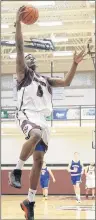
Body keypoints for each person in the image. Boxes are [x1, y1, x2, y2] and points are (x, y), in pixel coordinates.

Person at [8, 6, 87, 220]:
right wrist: (18, 21)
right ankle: (15, 170)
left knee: (40, 160)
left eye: (33, 58)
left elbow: (68, 82)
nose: (30, 59)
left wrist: (74, 63)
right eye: (27, 57)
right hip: (26, 114)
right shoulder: (23, 74)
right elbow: (20, 46)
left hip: (44, 120)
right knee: (33, 135)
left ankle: (30, 201)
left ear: (37, 63)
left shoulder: (45, 79)